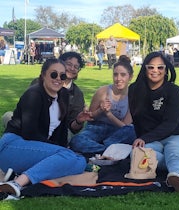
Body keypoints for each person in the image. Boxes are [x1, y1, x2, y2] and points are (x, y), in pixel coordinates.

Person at [0, 58, 87, 199]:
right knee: (68, 157)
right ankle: (17, 183)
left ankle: (17, 174)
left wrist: (62, 148)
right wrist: (60, 151)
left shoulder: (63, 95)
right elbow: (30, 133)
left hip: (34, 148)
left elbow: (61, 130)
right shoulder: (34, 94)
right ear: (43, 75)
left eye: (62, 76)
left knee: (80, 161)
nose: (58, 79)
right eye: (53, 74)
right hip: (12, 146)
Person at [128, 51, 179, 192]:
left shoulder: (174, 91)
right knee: (136, 155)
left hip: (178, 136)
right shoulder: (134, 90)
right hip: (153, 140)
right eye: (151, 67)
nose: (155, 71)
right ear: (145, 68)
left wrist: (144, 138)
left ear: (166, 71)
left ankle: (178, 176)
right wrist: (140, 141)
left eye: (160, 67)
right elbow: (136, 118)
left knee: (175, 153)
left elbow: (170, 124)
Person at [2, 52, 90, 142]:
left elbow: (72, 127)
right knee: (8, 116)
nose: (72, 68)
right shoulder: (37, 86)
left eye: (76, 67)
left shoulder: (76, 94)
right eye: (69, 64)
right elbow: (29, 113)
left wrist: (79, 121)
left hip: (59, 131)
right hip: (35, 125)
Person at [70, 55, 137, 157]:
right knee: (76, 140)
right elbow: (90, 117)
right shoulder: (103, 91)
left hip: (116, 132)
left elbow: (125, 126)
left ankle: (99, 149)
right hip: (96, 128)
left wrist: (109, 114)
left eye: (123, 75)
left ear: (130, 77)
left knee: (132, 131)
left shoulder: (133, 96)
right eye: (115, 75)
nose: (118, 79)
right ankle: (107, 150)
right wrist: (100, 110)